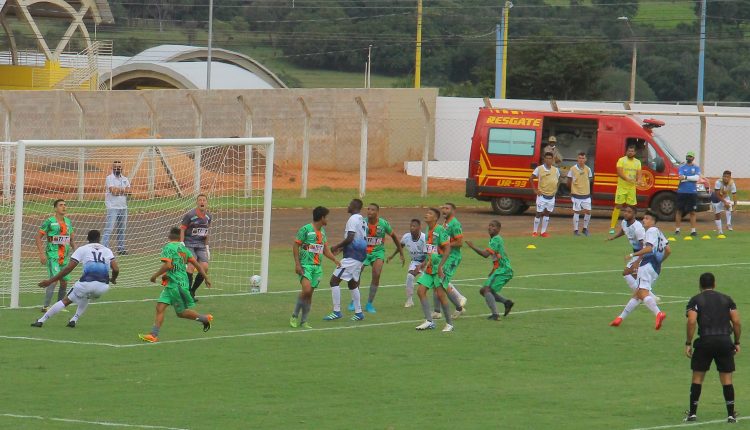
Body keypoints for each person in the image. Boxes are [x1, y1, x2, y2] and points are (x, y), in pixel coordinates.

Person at [139, 227, 213, 343]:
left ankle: (204, 319)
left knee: (181, 313)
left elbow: (168, 265)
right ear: (180, 238)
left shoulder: (168, 247)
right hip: (173, 284)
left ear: (169, 237)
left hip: (176, 285)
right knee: (160, 307)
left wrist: (155, 276)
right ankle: (153, 334)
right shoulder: (184, 249)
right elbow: (198, 265)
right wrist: (206, 278)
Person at [684, 272, 741, 423]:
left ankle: (693, 414)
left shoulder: (695, 300)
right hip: (724, 341)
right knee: (726, 378)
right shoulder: (726, 299)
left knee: (697, 377)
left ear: (700, 285)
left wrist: (688, 343)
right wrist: (737, 342)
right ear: (714, 284)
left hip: (705, 342)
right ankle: (730, 415)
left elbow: (691, 321)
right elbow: (736, 321)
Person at [32, 230, 119, 328]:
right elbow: (116, 269)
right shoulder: (107, 250)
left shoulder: (82, 249)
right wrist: (113, 279)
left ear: (87, 239)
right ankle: (74, 319)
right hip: (103, 287)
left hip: (86, 284)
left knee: (66, 301)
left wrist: (50, 281)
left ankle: (41, 321)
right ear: (99, 238)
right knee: (87, 296)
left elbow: (68, 268)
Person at [610, 211, 669, 329]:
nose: (644, 220)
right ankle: (620, 318)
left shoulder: (651, 231)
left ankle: (658, 313)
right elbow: (668, 250)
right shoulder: (659, 233)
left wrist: (633, 255)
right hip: (655, 268)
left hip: (646, 265)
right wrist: (659, 262)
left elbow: (648, 248)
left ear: (653, 221)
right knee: (638, 294)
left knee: (642, 293)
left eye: (647, 218)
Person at [290, 206, 340, 329]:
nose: (328, 219)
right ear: (322, 218)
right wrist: (297, 264)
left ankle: (304, 321)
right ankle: (294, 315)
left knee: (309, 294)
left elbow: (325, 250)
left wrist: (335, 259)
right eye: (327, 217)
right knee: (306, 290)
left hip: (317, 268)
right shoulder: (305, 229)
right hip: (305, 265)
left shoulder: (322, 233)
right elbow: (296, 245)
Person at [352, 203, 403, 313]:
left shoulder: (383, 224)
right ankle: (354, 301)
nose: (369, 211)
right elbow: (354, 237)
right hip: (364, 251)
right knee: (357, 273)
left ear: (377, 212)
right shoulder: (362, 223)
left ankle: (369, 303)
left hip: (378, 252)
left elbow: (394, 236)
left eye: (372, 210)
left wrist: (401, 252)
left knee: (377, 274)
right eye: (368, 209)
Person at [324, 199, 368, 322]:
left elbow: (350, 237)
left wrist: (336, 246)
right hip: (359, 255)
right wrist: (343, 248)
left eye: (349, 204)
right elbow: (357, 239)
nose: (347, 205)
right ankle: (359, 313)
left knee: (334, 281)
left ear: (354, 206)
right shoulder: (362, 220)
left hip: (352, 257)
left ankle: (336, 311)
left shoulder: (353, 219)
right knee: (352, 283)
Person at [606, 205, 660, 302]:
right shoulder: (624, 222)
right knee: (635, 275)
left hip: (643, 253)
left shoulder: (638, 228)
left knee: (627, 272)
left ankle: (643, 296)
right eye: (625, 211)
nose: (626, 213)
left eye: (629, 212)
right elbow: (624, 231)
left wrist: (638, 261)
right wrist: (613, 237)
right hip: (638, 253)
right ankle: (649, 296)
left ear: (634, 214)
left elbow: (643, 246)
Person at [465, 220, 514, 321]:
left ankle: (495, 315)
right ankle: (506, 302)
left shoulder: (496, 239)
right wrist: (493, 270)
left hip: (504, 270)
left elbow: (485, 254)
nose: (490, 228)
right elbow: (497, 256)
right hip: (500, 269)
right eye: (489, 226)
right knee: (484, 291)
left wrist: (472, 246)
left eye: (493, 226)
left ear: (499, 229)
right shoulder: (494, 240)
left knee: (487, 290)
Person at [414, 208, 453, 332]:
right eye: (426, 212)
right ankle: (429, 321)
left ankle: (449, 324)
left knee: (441, 295)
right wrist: (423, 264)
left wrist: (441, 266)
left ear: (435, 218)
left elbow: (447, 249)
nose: (426, 214)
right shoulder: (427, 230)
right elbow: (431, 251)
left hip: (439, 268)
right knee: (420, 291)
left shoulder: (440, 230)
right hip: (430, 267)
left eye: (430, 214)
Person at [35, 199, 76, 313]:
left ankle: (60, 305)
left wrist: (76, 251)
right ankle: (45, 306)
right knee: (54, 280)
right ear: (55, 208)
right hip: (53, 255)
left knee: (64, 281)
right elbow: (38, 237)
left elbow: (71, 238)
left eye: (65, 205)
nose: (64, 207)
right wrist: (42, 253)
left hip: (65, 256)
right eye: (61, 205)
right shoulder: (49, 221)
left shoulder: (68, 222)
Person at [433, 203, 468, 319]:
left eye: (447, 208)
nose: (444, 210)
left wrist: (446, 245)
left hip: (453, 257)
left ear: (453, 211)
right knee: (437, 281)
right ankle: (437, 311)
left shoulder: (455, 224)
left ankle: (458, 307)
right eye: (443, 208)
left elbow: (460, 242)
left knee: (442, 282)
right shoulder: (445, 223)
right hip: (445, 256)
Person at [180, 194, 212, 301]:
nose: (202, 202)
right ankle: (187, 295)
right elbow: (182, 229)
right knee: (191, 267)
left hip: (201, 245)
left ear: (206, 203)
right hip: (189, 243)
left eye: (204, 200)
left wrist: (207, 247)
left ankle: (192, 291)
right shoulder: (190, 215)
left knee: (205, 267)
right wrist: (181, 243)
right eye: (200, 200)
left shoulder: (208, 217)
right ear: (197, 203)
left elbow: (206, 231)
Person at [388, 218, 426, 308]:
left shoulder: (424, 238)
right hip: (415, 262)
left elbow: (428, 255)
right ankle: (409, 300)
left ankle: (458, 298)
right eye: (411, 226)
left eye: (414, 226)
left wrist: (421, 266)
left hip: (427, 261)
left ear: (420, 227)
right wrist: (393, 256)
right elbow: (400, 246)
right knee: (409, 276)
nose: (412, 228)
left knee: (438, 282)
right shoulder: (406, 237)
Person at [609, 143, 642, 234]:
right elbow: (619, 173)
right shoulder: (621, 160)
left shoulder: (637, 162)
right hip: (622, 188)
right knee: (618, 206)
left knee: (631, 208)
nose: (630, 152)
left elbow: (639, 174)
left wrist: (639, 180)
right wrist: (628, 179)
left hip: (631, 189)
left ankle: (631, 226)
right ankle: (612, 227)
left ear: (635, 152)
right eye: (629, 151)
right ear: (626, 151)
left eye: (632, 151)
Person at [102, 160, 131, 255]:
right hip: (112, 207)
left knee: (121, 229)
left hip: (123, 207)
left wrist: (118, 190)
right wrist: (123, 190)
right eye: (115, 167)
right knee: (109, 229)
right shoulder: (109, 178)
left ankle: (121, 248)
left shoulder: (125, 179)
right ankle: (104, 248)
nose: (117, 168)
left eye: (119, 167)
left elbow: (129, 192)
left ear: (122, 168)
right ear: (112, 168)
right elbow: (113, 191)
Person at [530, 152, 560, 237]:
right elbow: (531, 178)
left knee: (547, 213)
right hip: (542, 195)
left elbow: (559, 179)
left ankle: (543, 232)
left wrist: (556, 189)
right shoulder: (539, 169)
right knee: (539, 213)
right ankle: (535, 231)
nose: (548, 160)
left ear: (552, 159)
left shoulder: (555, 170)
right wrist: (535, 190)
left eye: (550, 158)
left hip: (551, 196)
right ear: (544, 159)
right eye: (547, 158)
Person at [675, 151, 701, 236]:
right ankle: (677, 230)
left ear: (693, 158)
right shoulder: (682, 167)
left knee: (692, 212)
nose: (689, 158)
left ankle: (693, 230)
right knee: (679, 211)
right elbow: (680, 178)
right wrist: (690, 178)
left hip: (692, 192)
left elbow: (696, 178)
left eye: (691, 156)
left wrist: (686, 177)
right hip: (681, 191)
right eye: (688, 156)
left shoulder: (696, 168)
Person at [567, 152, 593, 236]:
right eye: (580, 158)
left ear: (585, 159)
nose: (581, 160)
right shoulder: (572, 169)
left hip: (586, 194)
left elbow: (589, 180)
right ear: (577, 159)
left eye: (583, 158)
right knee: (577, 211)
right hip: (576, 194)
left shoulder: (588, 169)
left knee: (588, 211)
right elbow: (569, 180)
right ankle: (575, 230)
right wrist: (571, 190)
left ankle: (585, 229)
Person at [711, 170, 737, 235]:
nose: (725, 178)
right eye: (724, 176)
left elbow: (734, 195)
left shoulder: (732, 184)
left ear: (730, 177)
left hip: (725, 197)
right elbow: (717, 194)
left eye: (727, 177)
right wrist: (724, 202)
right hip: (716, 198)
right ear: (722, 177)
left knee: (729, 206)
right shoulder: (718, 182)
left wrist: (735, 206)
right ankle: (720, 231)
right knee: (717, 215)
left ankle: (728, 224)